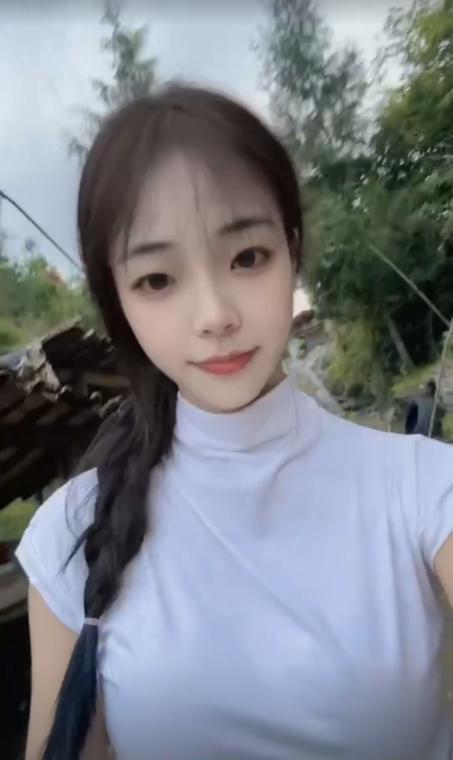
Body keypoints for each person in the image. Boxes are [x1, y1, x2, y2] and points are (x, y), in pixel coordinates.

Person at [15, 84, 453, 760]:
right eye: (157, 279)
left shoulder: (422, 488)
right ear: (117, 300)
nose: (214, 314)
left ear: (292, 251)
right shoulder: (70, 536)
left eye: (247, 257)